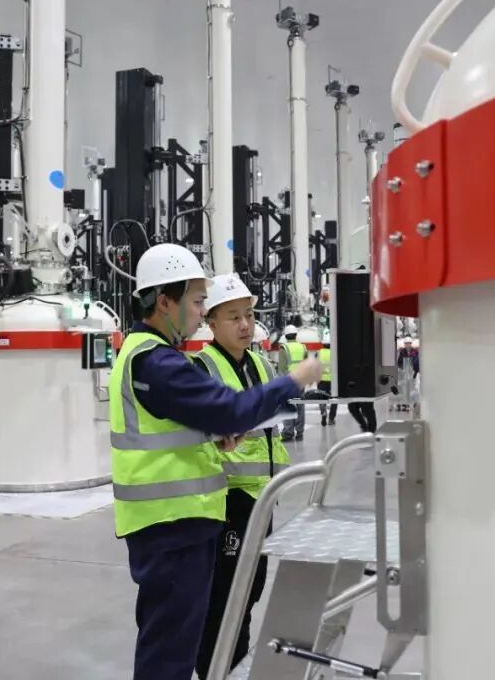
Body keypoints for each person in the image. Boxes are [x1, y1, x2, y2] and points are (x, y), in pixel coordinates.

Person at [110, 244, 323, 680]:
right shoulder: (156, 361)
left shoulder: (152, 355)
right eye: (196, 302)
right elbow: (229, 409)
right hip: (172, 525)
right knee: (170, 652)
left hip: (178, 524)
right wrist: (293, 380)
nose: (200, 313)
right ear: (164, 302)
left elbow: (181, 425)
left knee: (175, 638)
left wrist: (211, 434)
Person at [191, 274, 292, 679]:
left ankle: (234, 668)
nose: (245, 324)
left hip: (263, 497)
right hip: (227, 500)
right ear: (211, 323)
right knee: (223, 596)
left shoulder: (260, 364)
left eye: (249, 315)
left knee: (250, 590)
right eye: (233, 317)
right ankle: (213, 670)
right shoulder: (202, 368)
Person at [277, 324, 308, 441]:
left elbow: (282, 369)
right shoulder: (302, 347)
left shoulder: (284, 348)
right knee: (300, 405)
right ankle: (300, 433)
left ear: (285, 336)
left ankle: (288, 432)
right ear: (296, 335)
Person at [317, 329, 336, 426]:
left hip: (321, 379)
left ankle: (323, 413)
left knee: (321, 398)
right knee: (334, 399)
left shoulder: (319, 353)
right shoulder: (334, 353)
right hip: (333, 380)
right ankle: (331, 418)